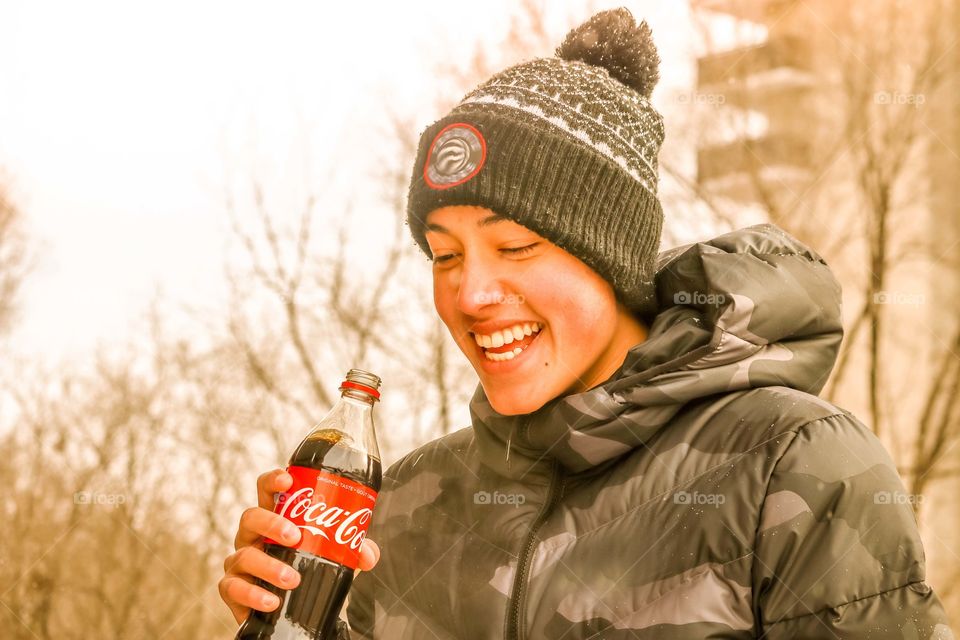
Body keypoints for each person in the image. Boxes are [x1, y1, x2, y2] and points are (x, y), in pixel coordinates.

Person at [219, 8, 955, 639]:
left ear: (614, 262)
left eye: (515, 247)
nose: (470, 293)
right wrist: (297, 614)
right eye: (444, 256)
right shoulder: (408, 506)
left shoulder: (791, 464)